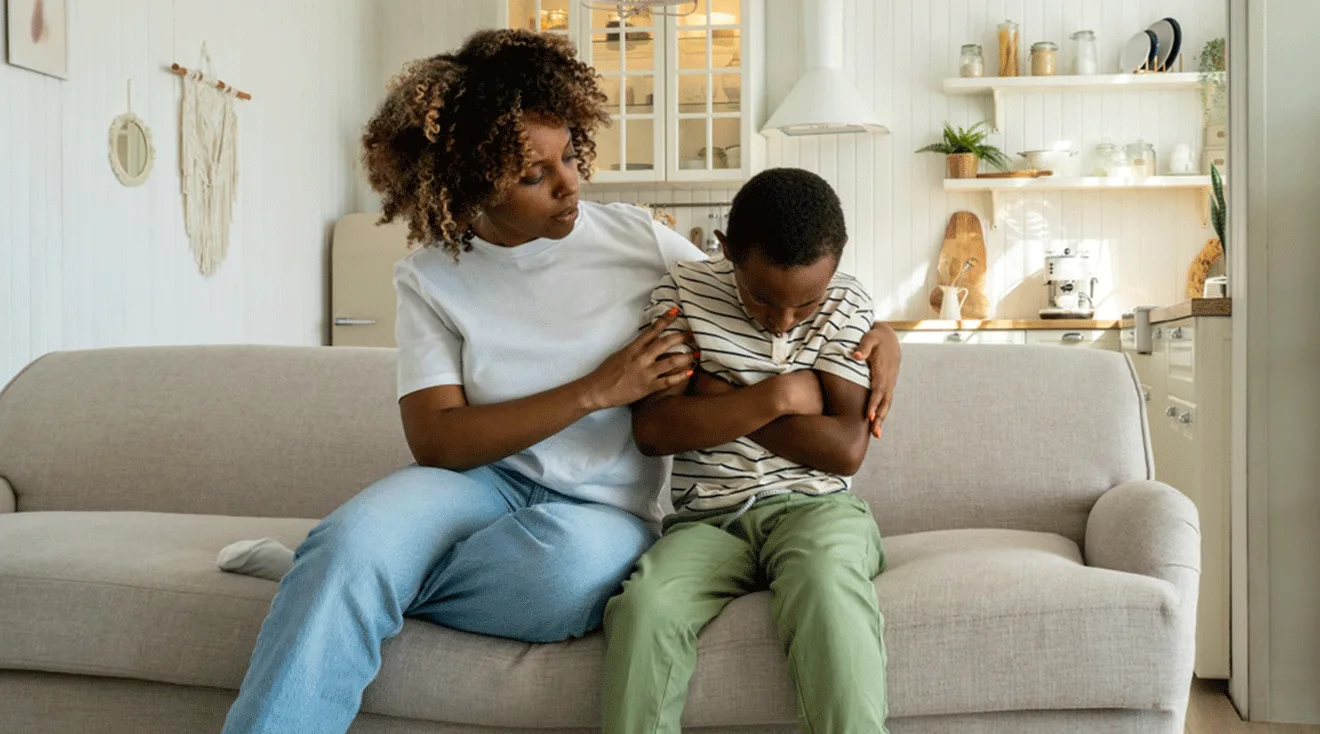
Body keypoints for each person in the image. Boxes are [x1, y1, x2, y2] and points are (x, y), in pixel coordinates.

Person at [220, 30, 900, 734]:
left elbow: (751, 295)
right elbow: (438, 441)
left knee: (562, 578)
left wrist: (882, 334)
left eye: (570, 155)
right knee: (351, 542)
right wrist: (597, 390)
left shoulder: (637, 240)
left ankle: (347, 591)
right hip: (474, 484)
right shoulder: (429, 278)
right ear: (471, 181)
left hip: (599, 511)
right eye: (532, 174)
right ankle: (341, 582)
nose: (569, 182)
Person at [602, 168, 890, 734]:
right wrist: (777, 397)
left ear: (837, 263)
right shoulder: (682, 293)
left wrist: (718, 397)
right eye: (762, 299)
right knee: (646, 607)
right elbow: (655, 430)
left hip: (817, 510)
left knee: (826, 584)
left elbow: (844, 449)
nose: (782, 323)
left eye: (806, 305)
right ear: (727, 249)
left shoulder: (846, 301)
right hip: (707, 521)